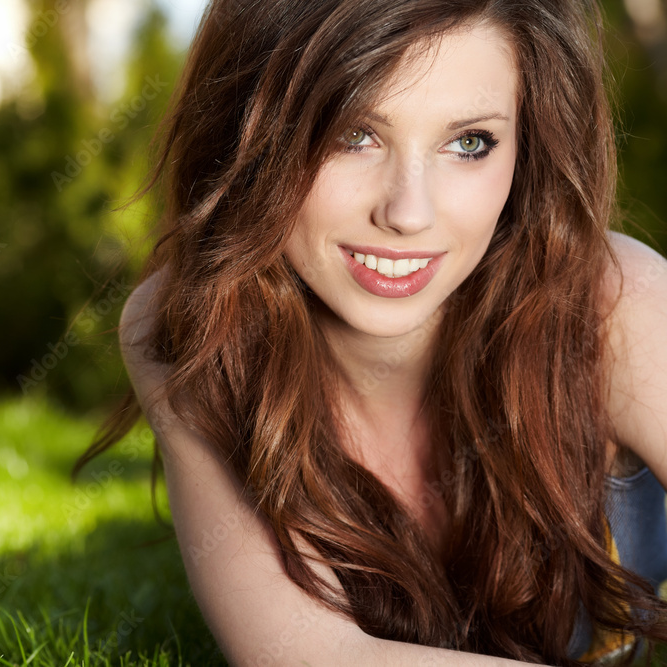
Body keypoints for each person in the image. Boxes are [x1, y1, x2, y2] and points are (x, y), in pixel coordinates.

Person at [73, 0, 667, 664]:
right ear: (248, 131)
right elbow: (303, 654)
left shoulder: (618, 305)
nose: (409, 212)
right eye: (353, 134)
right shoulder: (189, 325)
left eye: (470, 142)